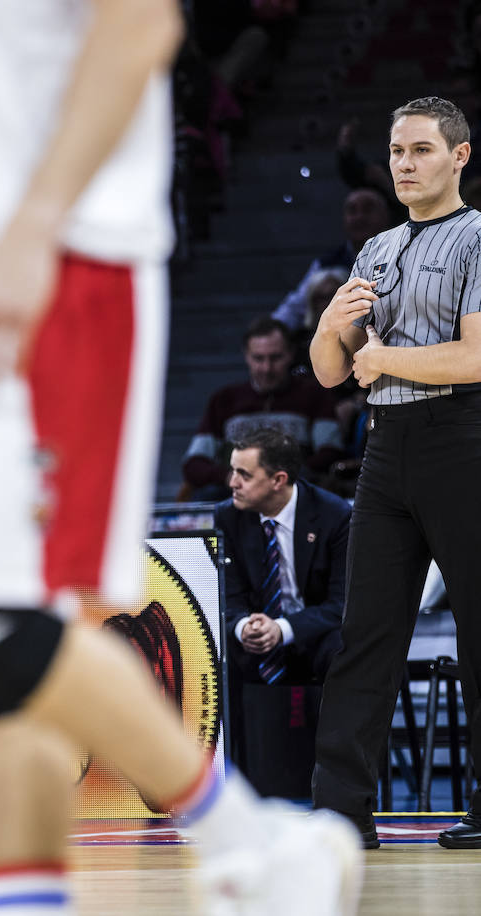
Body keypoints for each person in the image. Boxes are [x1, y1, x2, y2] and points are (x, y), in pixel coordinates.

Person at [0, 0, 362, 912]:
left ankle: (252, 843)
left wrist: (32, 229)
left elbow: (140, 26)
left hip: (55, 255)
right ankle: (28, 898)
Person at [308, 95, 481, 851]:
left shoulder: (478, 237)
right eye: (397, 152)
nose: (404, 165)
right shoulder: (375, 247)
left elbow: (477, 357)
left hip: (462, 438)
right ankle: (340, 812)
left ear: (459, 156)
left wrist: (378, 360)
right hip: (386, 448)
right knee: (365, 634)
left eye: (420, 151)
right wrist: (328, 325)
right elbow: (325, 373)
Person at [219, 428, 349, 686]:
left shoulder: (334, 515)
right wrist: (244, 626)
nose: (232, 482)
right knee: (213, 647)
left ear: (278, 480)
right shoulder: (228, 515)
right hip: (256, 633)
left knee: (342, 648)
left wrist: (283, 629)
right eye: (233, 471)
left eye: (243, 474)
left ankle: (337, 728)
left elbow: (342, 604)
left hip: (313, 632)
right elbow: (227, 595)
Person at [182, 317, 344, 500]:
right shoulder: (224, 400)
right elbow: (194, 463)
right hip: (235, 495)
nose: (266, 368)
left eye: (275, 358)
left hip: (294, 491)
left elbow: (331, 452)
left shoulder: (314, 395)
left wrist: (285, 475)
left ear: (291, 353)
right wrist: (229, 477)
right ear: (246, 356)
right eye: (258, 358)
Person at [272, 188, 392, 331]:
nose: (359, 217)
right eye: (352, 211)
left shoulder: (400, 255)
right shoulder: (326, 264)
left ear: (386, 216)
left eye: (368, 210)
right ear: (344, 219)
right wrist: (272, 331)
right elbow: (294, 308)